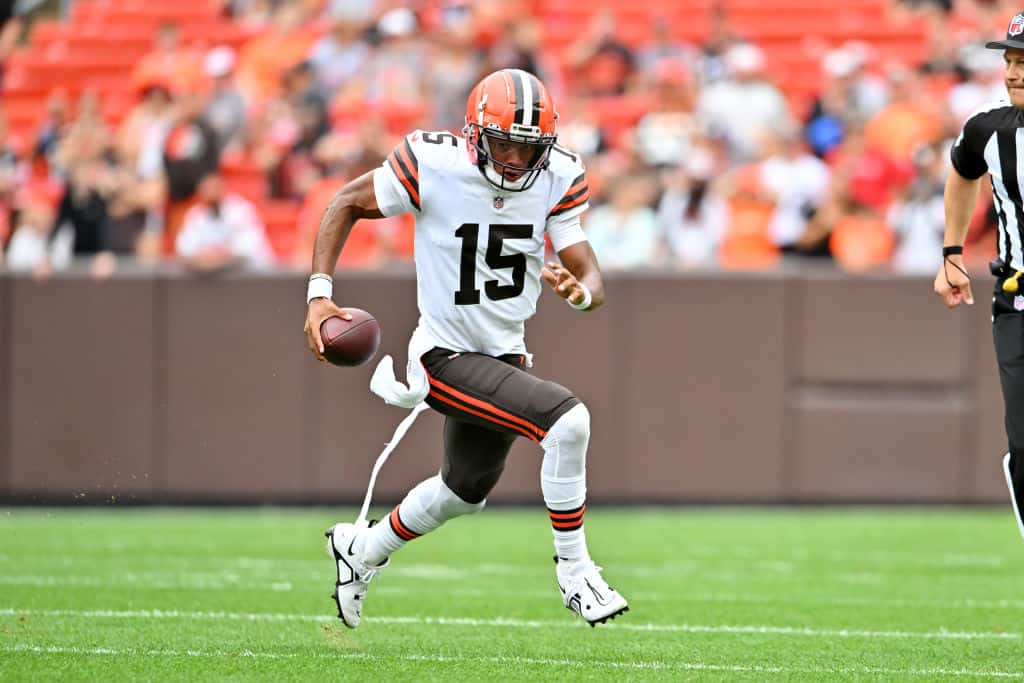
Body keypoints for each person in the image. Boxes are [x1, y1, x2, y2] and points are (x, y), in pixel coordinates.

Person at [303, 69, 629, 628]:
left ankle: (361, 550)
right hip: (444, 357)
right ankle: (576, 572)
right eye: (503, 142)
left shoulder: (558, 175)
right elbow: (344, 203)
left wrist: (584, 295)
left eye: (528, 148)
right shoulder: (434, 163)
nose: (514, 160)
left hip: (504, 355)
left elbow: (585, 265)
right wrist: (319, 295)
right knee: (568, 422)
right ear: (475, 133)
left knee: (463, 490)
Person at [935, 11, 1024, 539]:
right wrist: (951, 251)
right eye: (1011, 60)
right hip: (1017, 300)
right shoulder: (988, 126)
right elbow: (963, 172)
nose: (1014, 72)